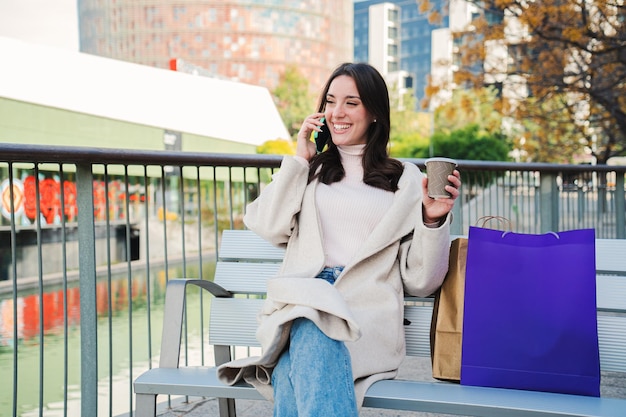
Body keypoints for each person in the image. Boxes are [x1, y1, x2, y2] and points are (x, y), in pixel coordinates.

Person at [217, 62, 461, 416]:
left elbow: (421, 281)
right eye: (330, 101)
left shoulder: (405, 180)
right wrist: (299, 159)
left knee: (295, 361)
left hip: (364, 314)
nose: (337, 112)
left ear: (374, 112)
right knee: (311, 318)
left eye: (351, 102)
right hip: (305, 296)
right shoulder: (311, 171)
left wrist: (433, 219)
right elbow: (267, 225)